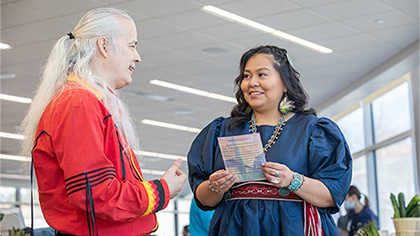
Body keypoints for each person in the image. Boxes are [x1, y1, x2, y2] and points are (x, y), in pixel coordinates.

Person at [20, 7, 186, 236]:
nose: (137, 57)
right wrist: (162, 190)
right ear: (104, 46)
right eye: (132, 46)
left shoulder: (86, 100)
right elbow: (96, 195)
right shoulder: (78, 103)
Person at [187, 45, 353, 235]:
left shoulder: (314, 130)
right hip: (236, 228)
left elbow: (331, 196)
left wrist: (292, 179)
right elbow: (204, 199)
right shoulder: (221, 130)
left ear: (285, 83)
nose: (252, 83)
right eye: (246, 76)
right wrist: (214, 186)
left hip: (294, 227)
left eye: (262, 75)